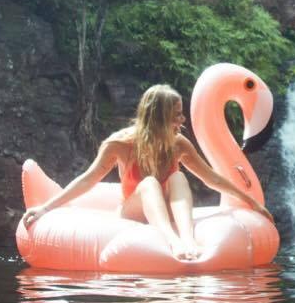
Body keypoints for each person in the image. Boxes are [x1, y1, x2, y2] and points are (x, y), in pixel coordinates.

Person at [20, 84, 273, 260]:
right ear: (159, 118)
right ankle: (172, 242)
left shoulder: (179, 144)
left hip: (168, 209)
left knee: (178, 176)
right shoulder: (119, 144)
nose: (182, 121)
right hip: (133, 213)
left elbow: (211, 177)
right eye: (176, 115)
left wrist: (251, 202)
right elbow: (88, 180)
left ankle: (188, 239)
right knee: (150, 183)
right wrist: (45, 208)